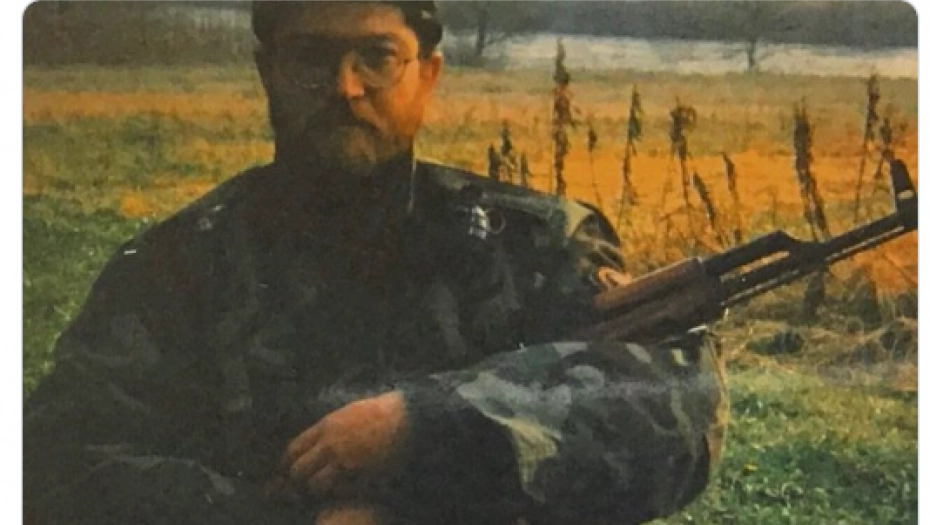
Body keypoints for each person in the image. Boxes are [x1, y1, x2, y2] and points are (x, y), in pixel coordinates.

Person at [23, 2, 729, 524]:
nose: (345, 87)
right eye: (311, 59)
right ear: (268, 73)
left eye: (377, 56)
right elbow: (52, 461)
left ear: (428, 74)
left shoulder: (532, 243)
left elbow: (673, 410)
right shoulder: (178, 266)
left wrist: (426, 426)